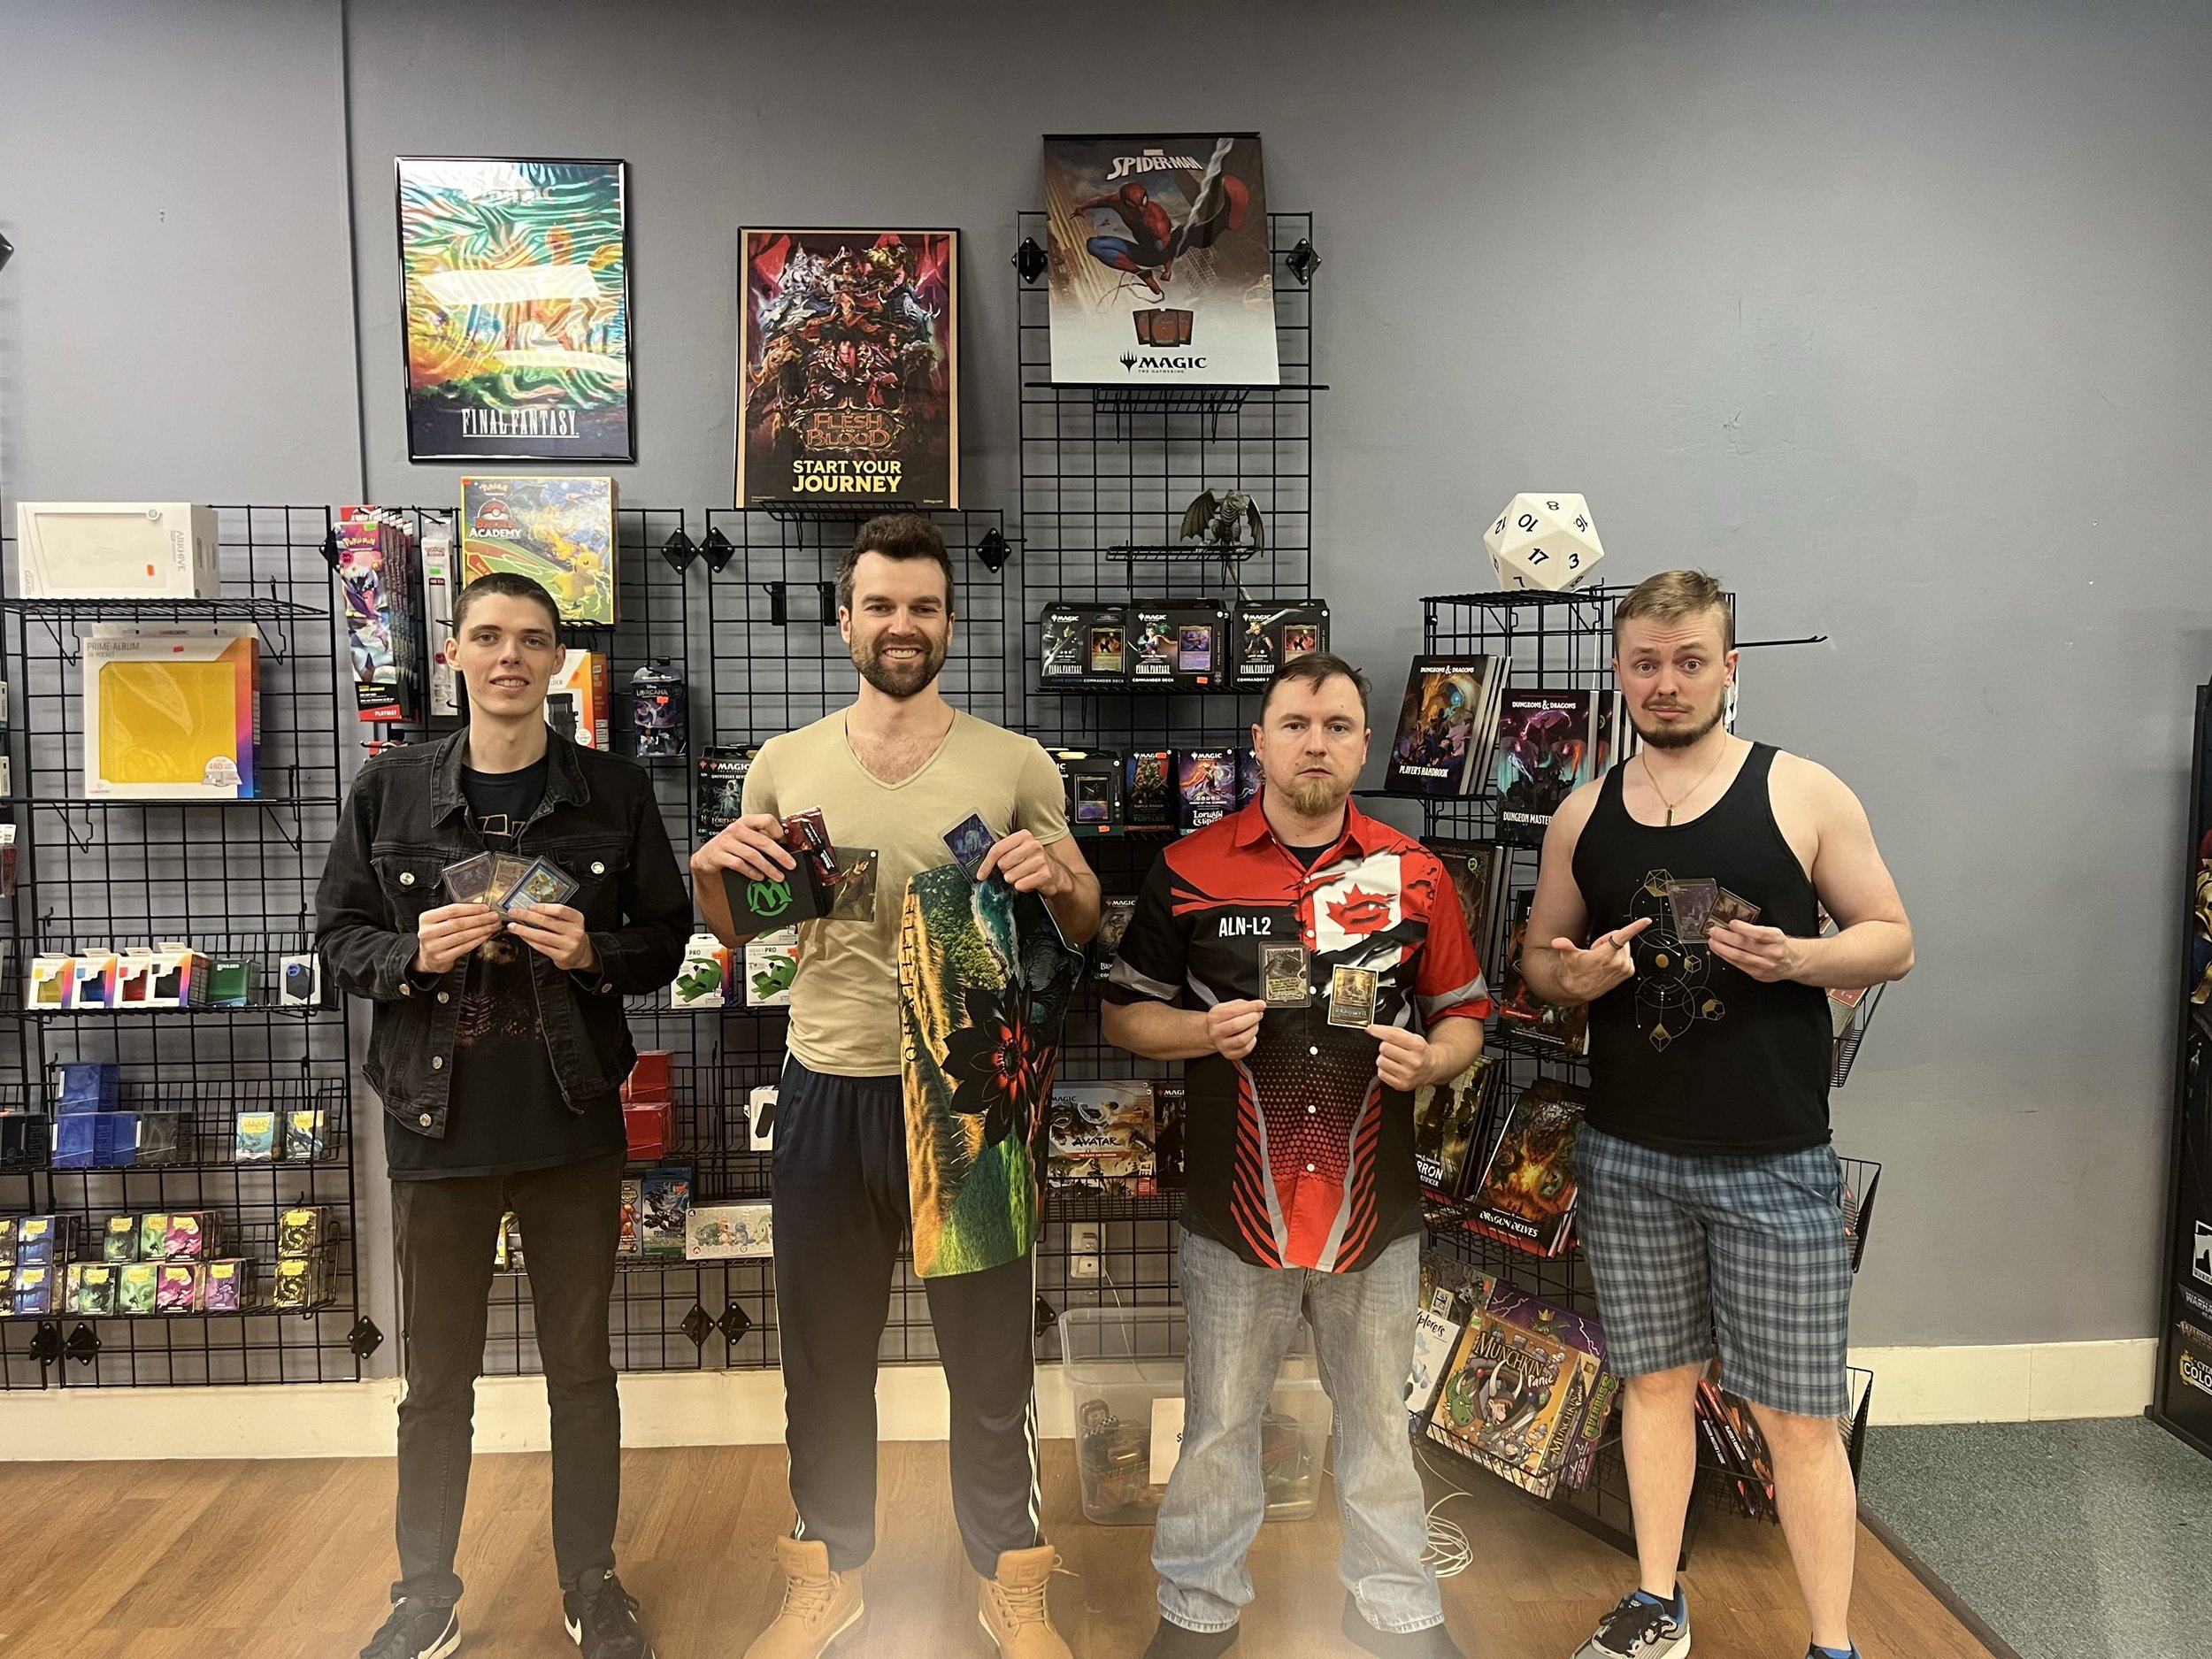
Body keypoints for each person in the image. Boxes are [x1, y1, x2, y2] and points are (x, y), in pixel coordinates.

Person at [691, 513, 1102, 1659]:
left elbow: (1074, 929)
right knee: (826, 1360)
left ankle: (1010, 1575)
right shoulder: (789, 763)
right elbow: (747, 929)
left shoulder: (1014, 764)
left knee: (990, 1362)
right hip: (827, 1088)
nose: (902, 624)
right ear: (846, 619)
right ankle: (828, 1572)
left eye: (922, 605)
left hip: (970, 1099)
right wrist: (710, 877)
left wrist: (1066, 877)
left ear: (949, 622)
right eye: (881, 604)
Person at [1516, 571, 1914, 1659]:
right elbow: (1541, 962)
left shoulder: (1802, 792)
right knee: (1652, 1387)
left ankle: (1830, 1643)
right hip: (1628, 1152)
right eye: (1645, 662)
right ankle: (1657, 1600)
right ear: (1619, 671)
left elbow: (1892, 937)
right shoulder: (1582, 812)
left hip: (1773, 1158)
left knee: (1797, 1418)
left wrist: (1803, 957)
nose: (1667, 682)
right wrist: (1575, 980)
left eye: (1690, 660)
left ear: (1729, 669)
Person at [319, 572, 690, 1659]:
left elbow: (665, 937)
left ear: (557, 658)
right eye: (488, 636)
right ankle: (422, 1594)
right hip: (437, 1133)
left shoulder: (614, 792)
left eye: (532, 639)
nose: (509, 657)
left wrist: (596, 951)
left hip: (573, 1123)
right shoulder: (388, 788)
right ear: (455, 653)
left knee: (582, 1373)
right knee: (435, 1383)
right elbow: (338, 935)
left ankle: (592, 1584)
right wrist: (407, 955)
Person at [1101, 652, 1491, 1659]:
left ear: (1365, 743)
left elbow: (1466, 1018)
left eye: (1336, 725)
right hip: (1236, 1217)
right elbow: (1124, 1015)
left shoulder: (1416, 873)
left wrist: (1432, 1060)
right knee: (1218, 1427)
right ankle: (1198, 1611)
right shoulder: (1189, 866)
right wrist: (1201, 1035)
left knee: (1378, 1427)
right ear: (1260, 740)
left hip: (1377, 1211)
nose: (1314, 743)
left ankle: (1394, 1611)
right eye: (1294, 724)